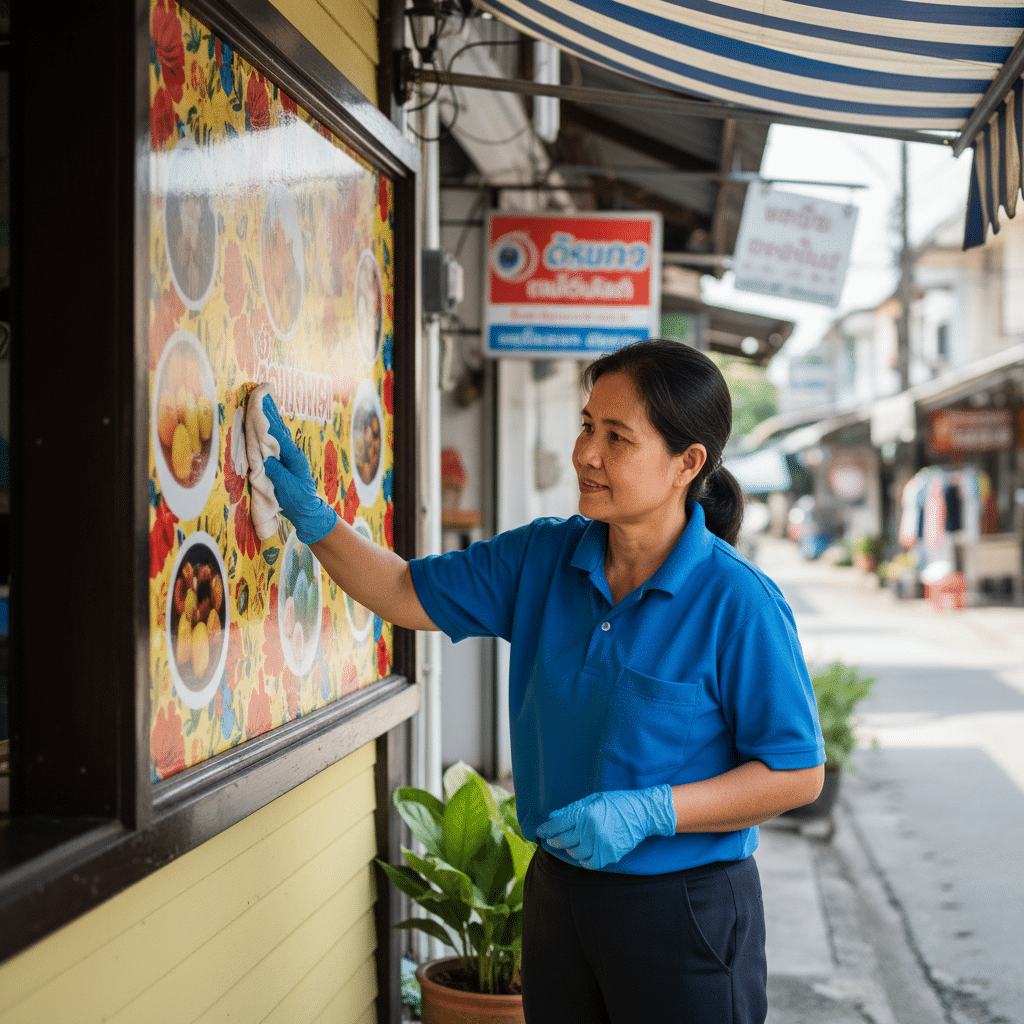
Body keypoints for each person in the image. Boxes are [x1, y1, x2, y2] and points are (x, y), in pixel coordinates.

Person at [259, 338, 825, 1024]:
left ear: (688, 462)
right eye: (588, 424)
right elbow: (406, 590)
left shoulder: (737, 604)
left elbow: (797, 774)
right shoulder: (543, 557)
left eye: (617, 437)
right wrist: (313, 518)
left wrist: (653, 810)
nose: (588, 451)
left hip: (686, 912)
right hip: (560, 896)